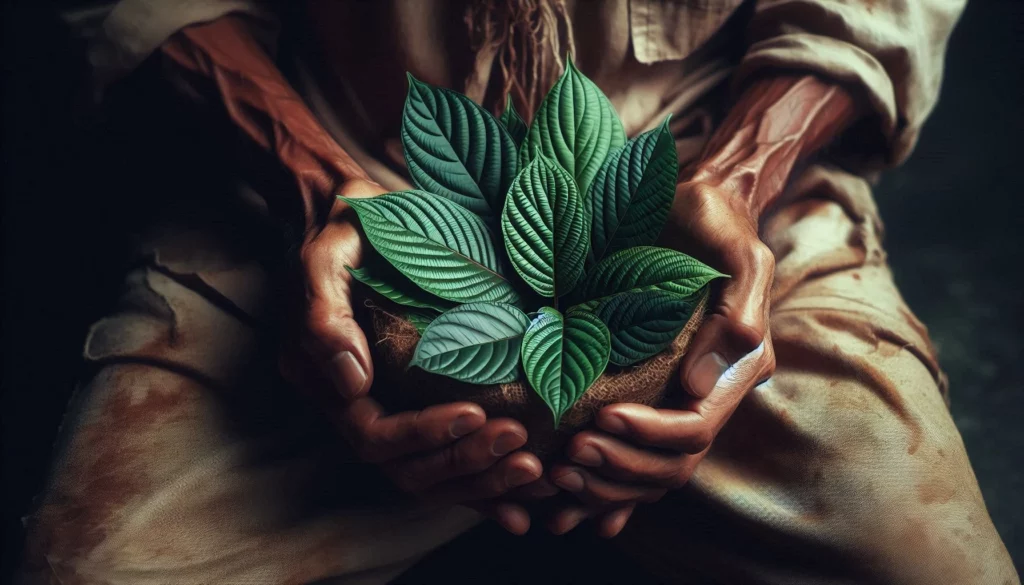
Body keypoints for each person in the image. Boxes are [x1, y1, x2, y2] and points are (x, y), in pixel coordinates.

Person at [19, 0, 1019, 583]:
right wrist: (318, 181)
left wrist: (739, 179)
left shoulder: (719, 192)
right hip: (335, 180)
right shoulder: (323, 187)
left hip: (701, 181)